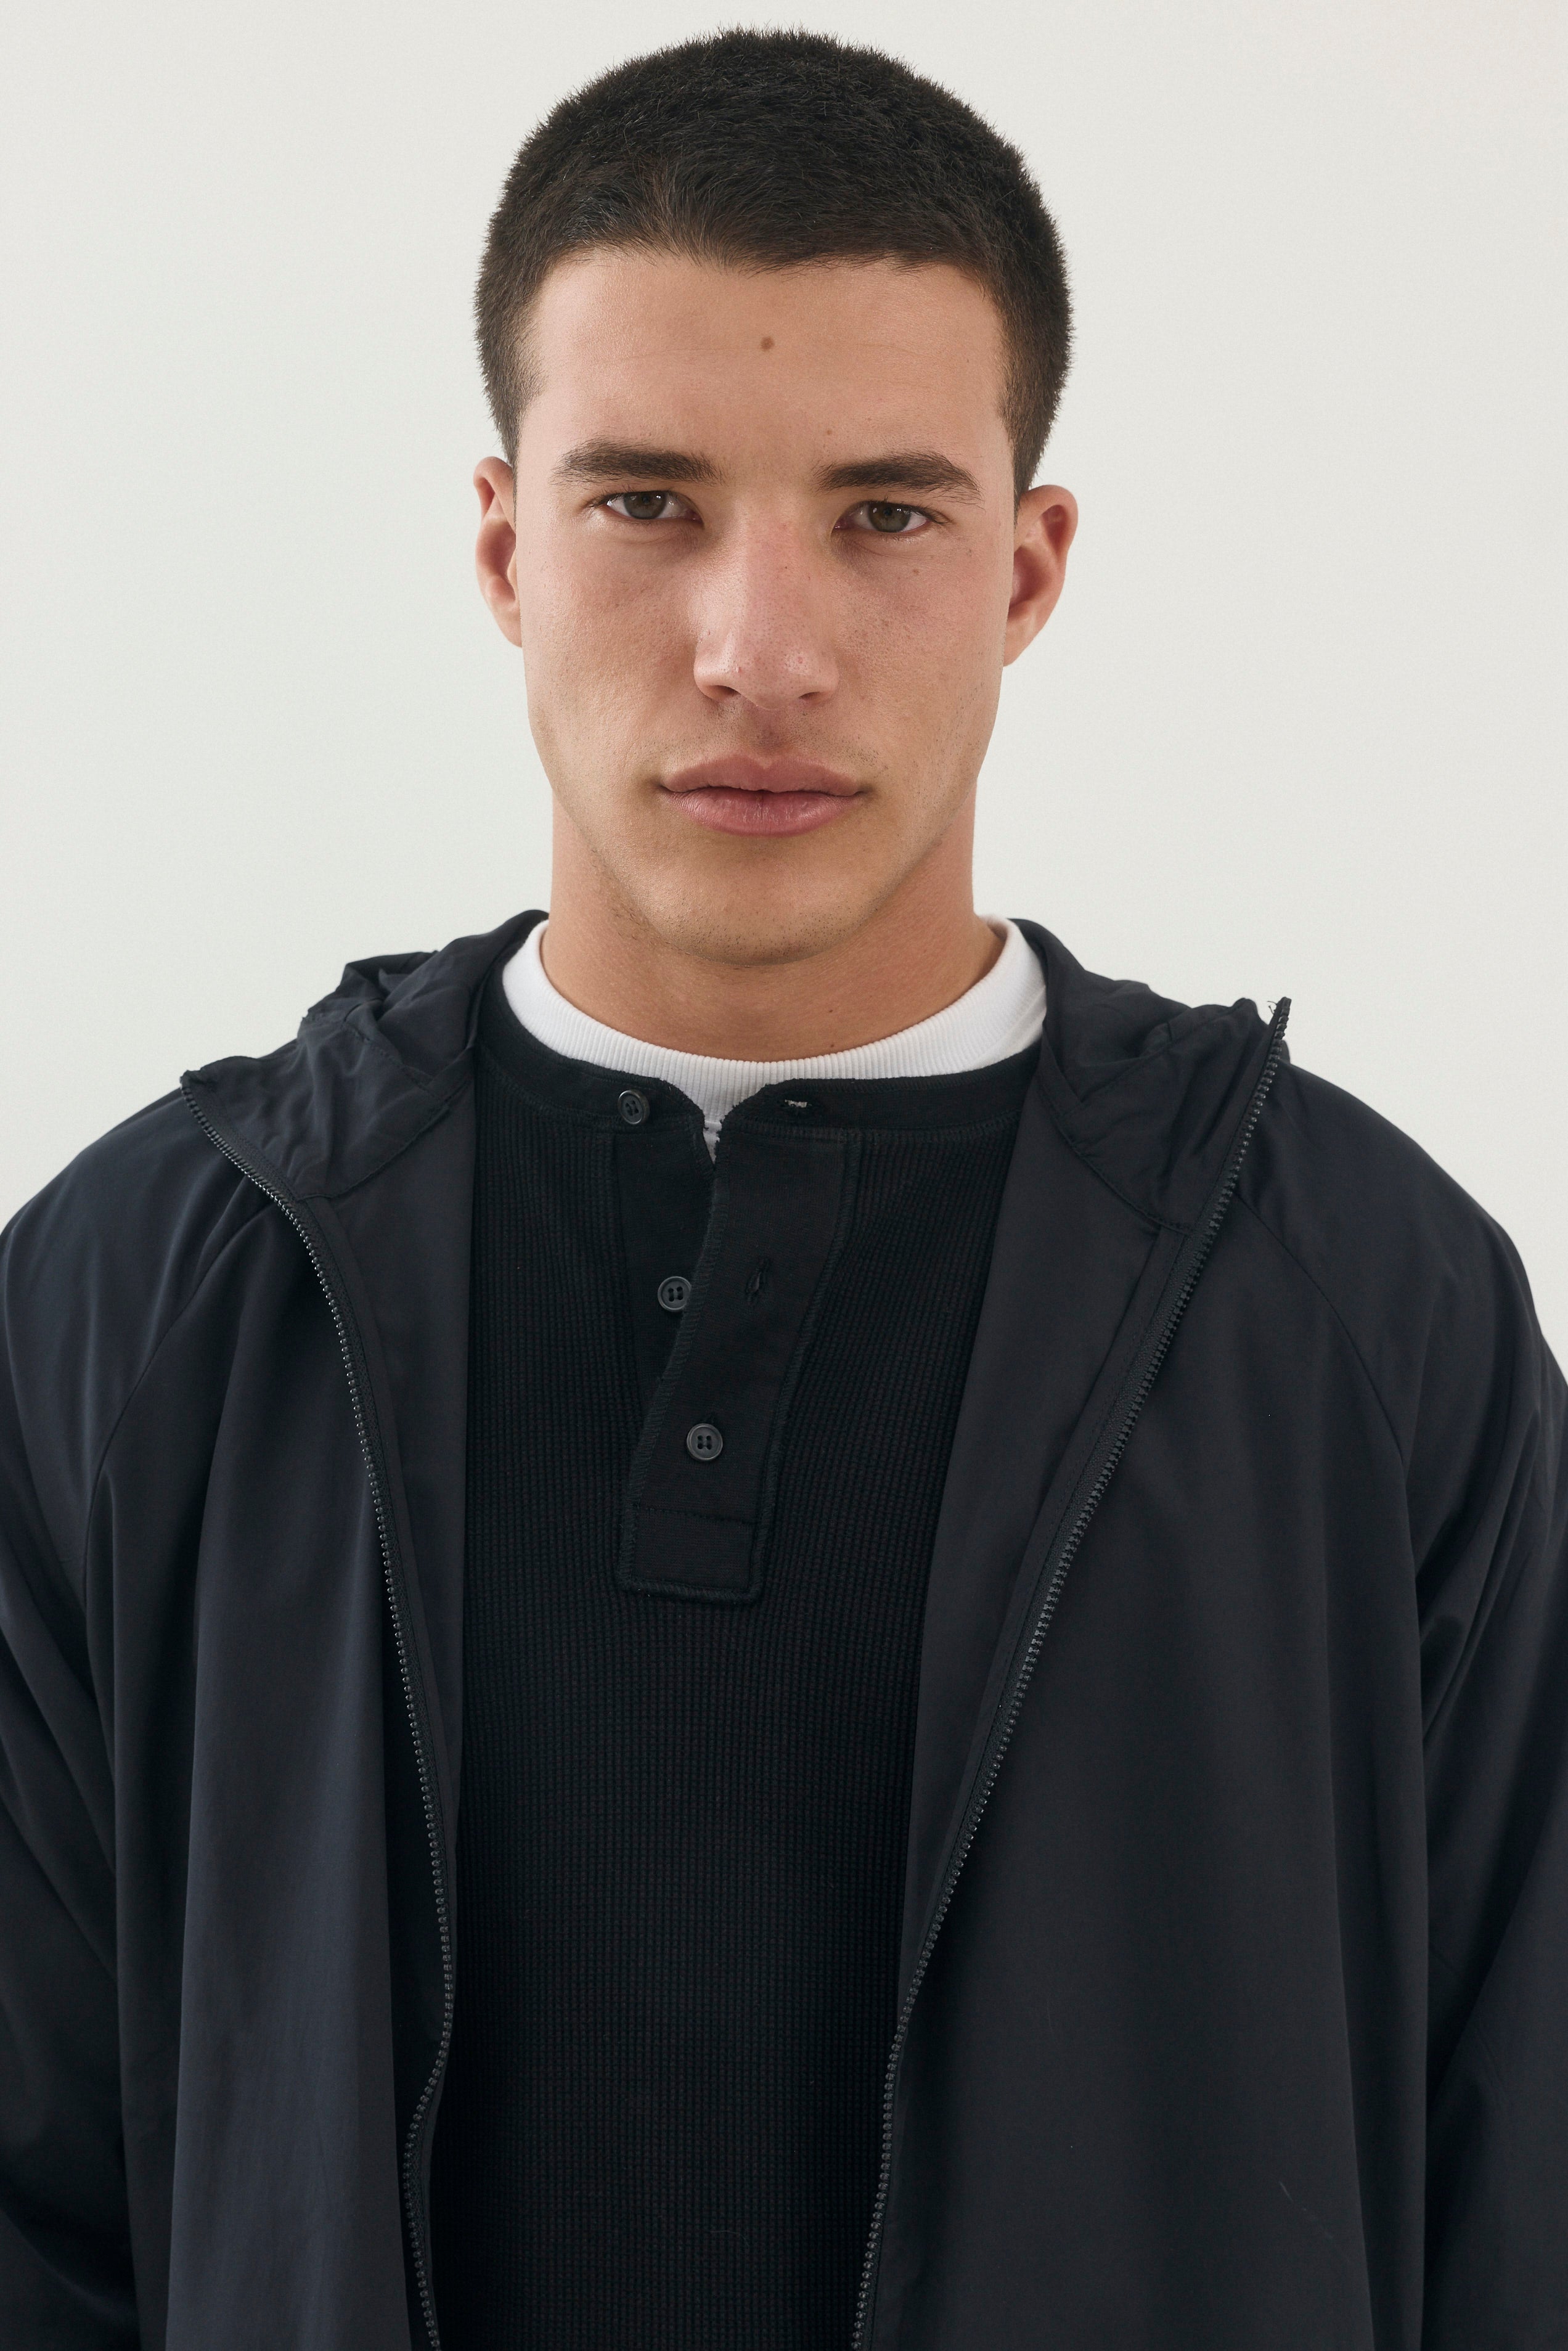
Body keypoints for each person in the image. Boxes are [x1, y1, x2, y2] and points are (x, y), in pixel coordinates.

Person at [1, 26, 1564, 2351]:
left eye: (883, 514)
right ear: (505, 546)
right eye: (648, 502)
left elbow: (1521, 2196)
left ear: (1027, 566)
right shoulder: (138, 1301)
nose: (762, 651)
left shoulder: (1366, 1306)